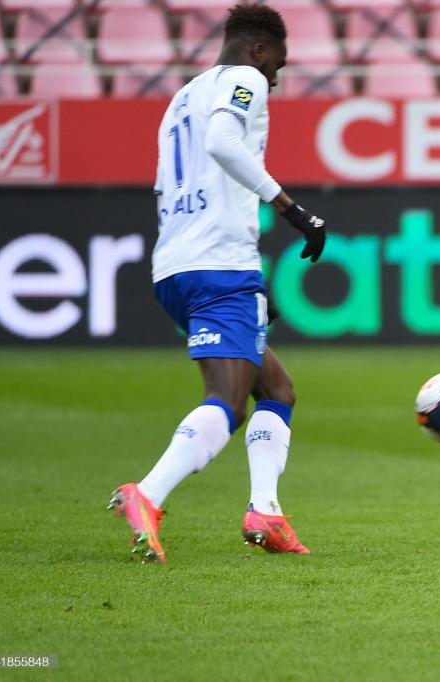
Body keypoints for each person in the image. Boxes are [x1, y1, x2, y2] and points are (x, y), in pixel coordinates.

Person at [108, 4, 326, 564]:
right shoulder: (247, 80)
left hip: (178, 264)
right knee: (226, 402)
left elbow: (171, 185)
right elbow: (225, 145)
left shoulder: (183, 98)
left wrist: (247, 274)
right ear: (258, 50)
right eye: (278, 61)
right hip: (217, 266)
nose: (277, 76)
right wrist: (291, 209)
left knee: (277, 390)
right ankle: (148, 494)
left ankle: (266, 513)